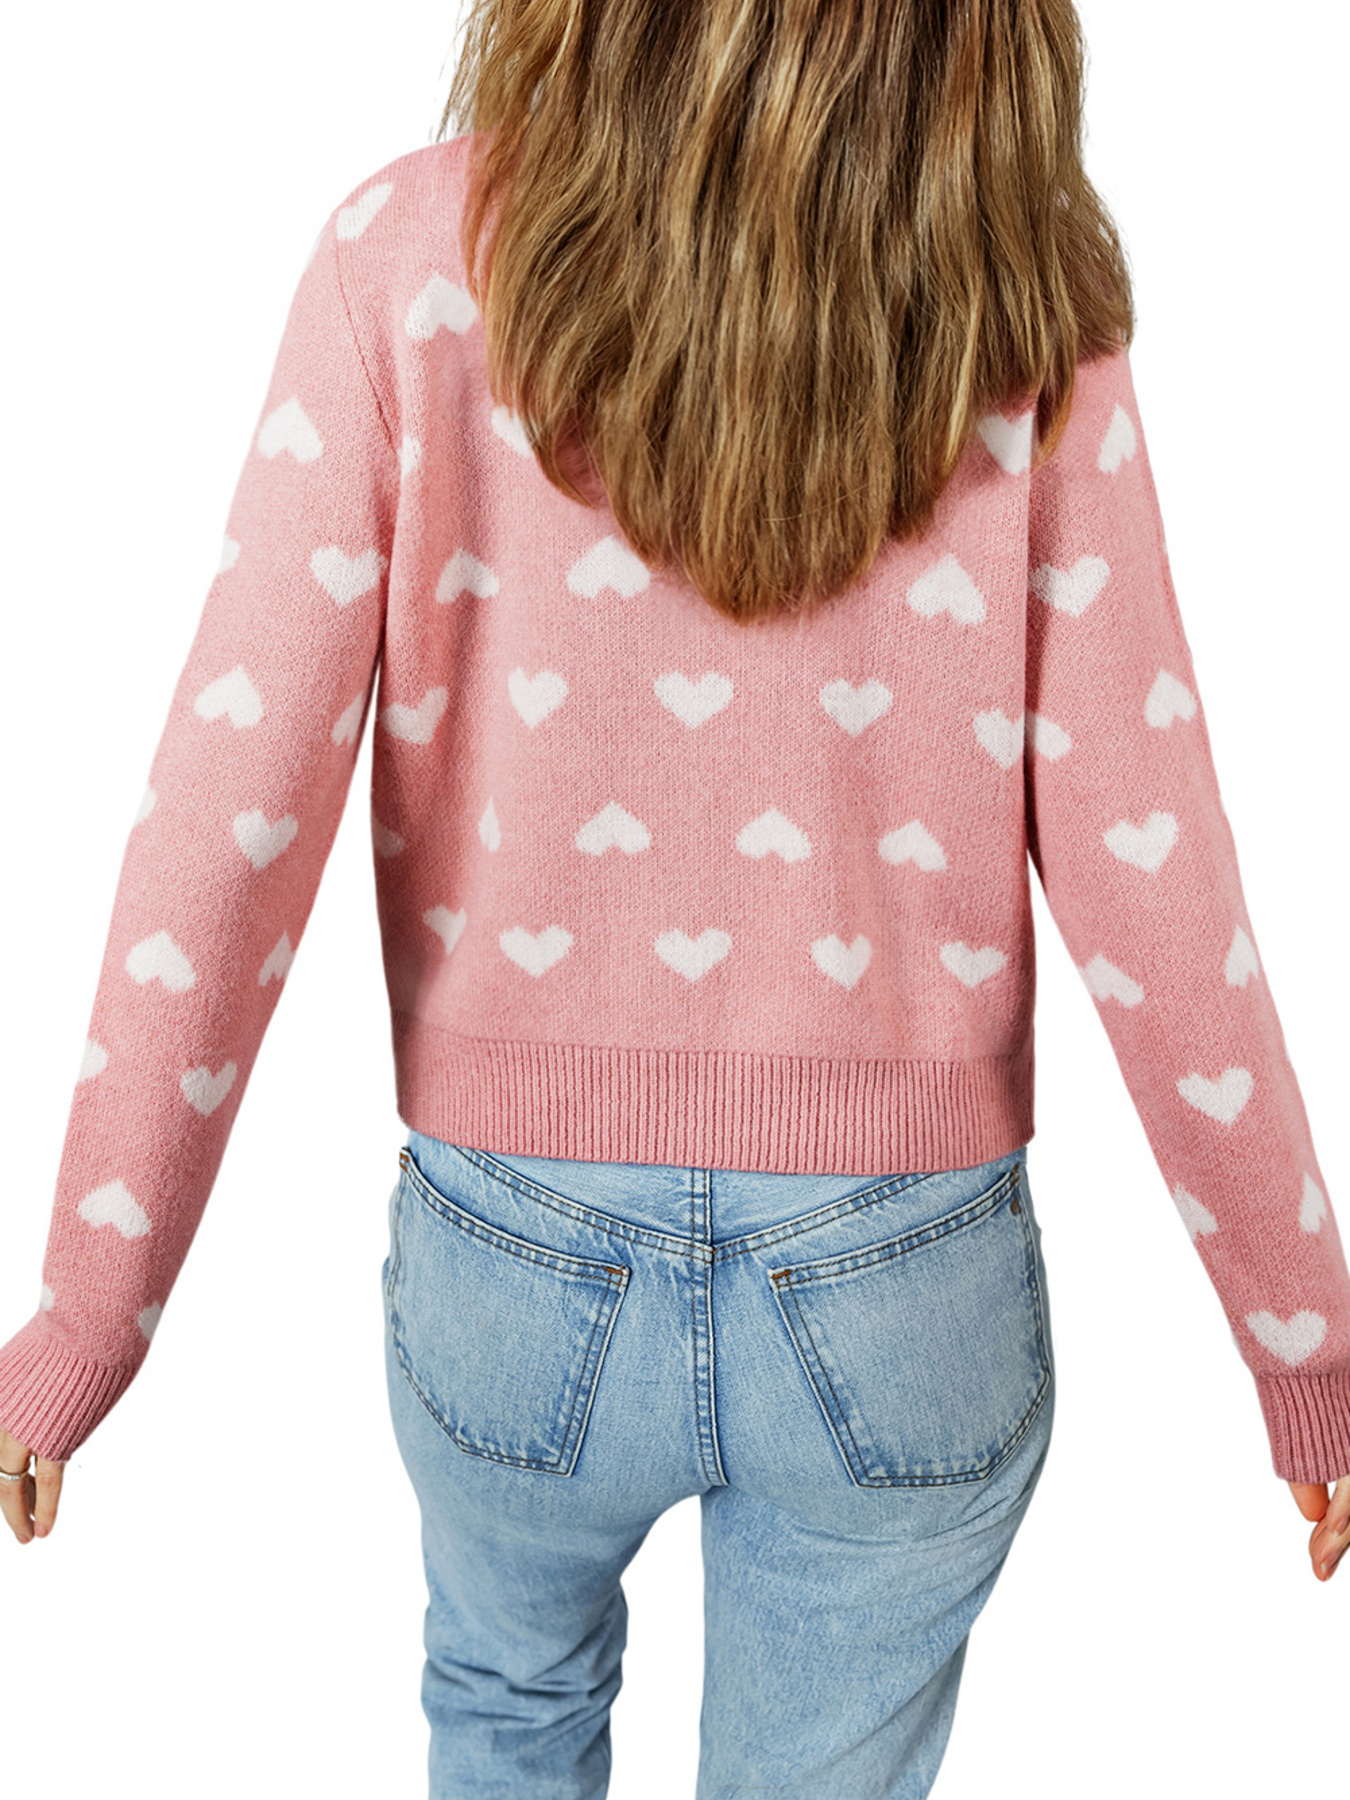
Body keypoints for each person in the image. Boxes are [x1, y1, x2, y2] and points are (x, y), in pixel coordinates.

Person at [2, 0, 1347, 1792]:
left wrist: (90, 1309)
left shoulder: (406, 257)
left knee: (506, 1711)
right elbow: (1150, 858)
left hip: (514, 1257)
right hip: (901, 1277)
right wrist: (1304, 1339)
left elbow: (224, 818)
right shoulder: (1018, 299)